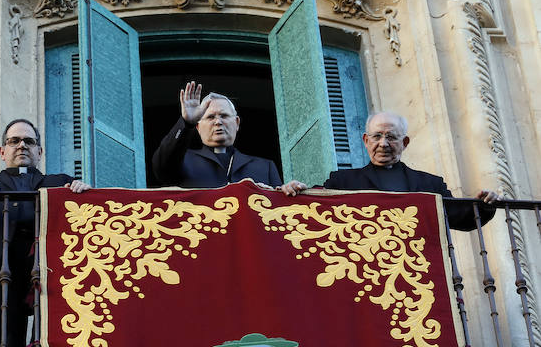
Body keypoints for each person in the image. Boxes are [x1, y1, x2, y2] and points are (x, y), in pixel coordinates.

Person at [0, 119, 91, 347]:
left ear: (39, 151)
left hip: (50, 268)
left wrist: (84, 192)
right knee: (6, 345)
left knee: (50, 339)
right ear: (2, 151)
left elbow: (89, 217)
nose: (22, 146)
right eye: (14, 141)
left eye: (29, 141)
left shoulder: (61, 182)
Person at [279, 112, 498, 231]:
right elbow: (314, 209)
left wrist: (485, 205)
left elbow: (462, 218)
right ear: (366, 141)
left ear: (405, 142)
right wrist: (295, 190)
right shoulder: (343, 181)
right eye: (376, 136)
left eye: (391, 137)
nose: (383, 143)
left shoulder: (430, 185)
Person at [152, 81, 281, 188]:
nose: (218, 122)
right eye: (210, 117)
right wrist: (186, 123)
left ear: (236, 123)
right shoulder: (182, 161)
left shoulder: (265, 167)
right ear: (197, 127)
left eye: (224, 116)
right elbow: (161, 168)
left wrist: (290, 193)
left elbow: (278, 207)